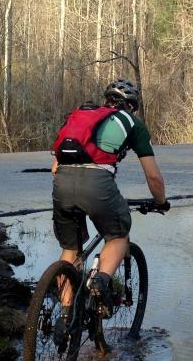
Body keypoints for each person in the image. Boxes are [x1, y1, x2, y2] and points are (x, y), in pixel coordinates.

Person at [50, 77, 169, 315]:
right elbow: (153, 177)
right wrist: (160, 202)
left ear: (107, 101)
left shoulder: (83, 118)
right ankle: (101, 280)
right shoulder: (132, 123)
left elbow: (55, 167)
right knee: (118, 235)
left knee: (71, 249)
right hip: (98, 185)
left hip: (62, 182)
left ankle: (64, 317)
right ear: (132, 106)